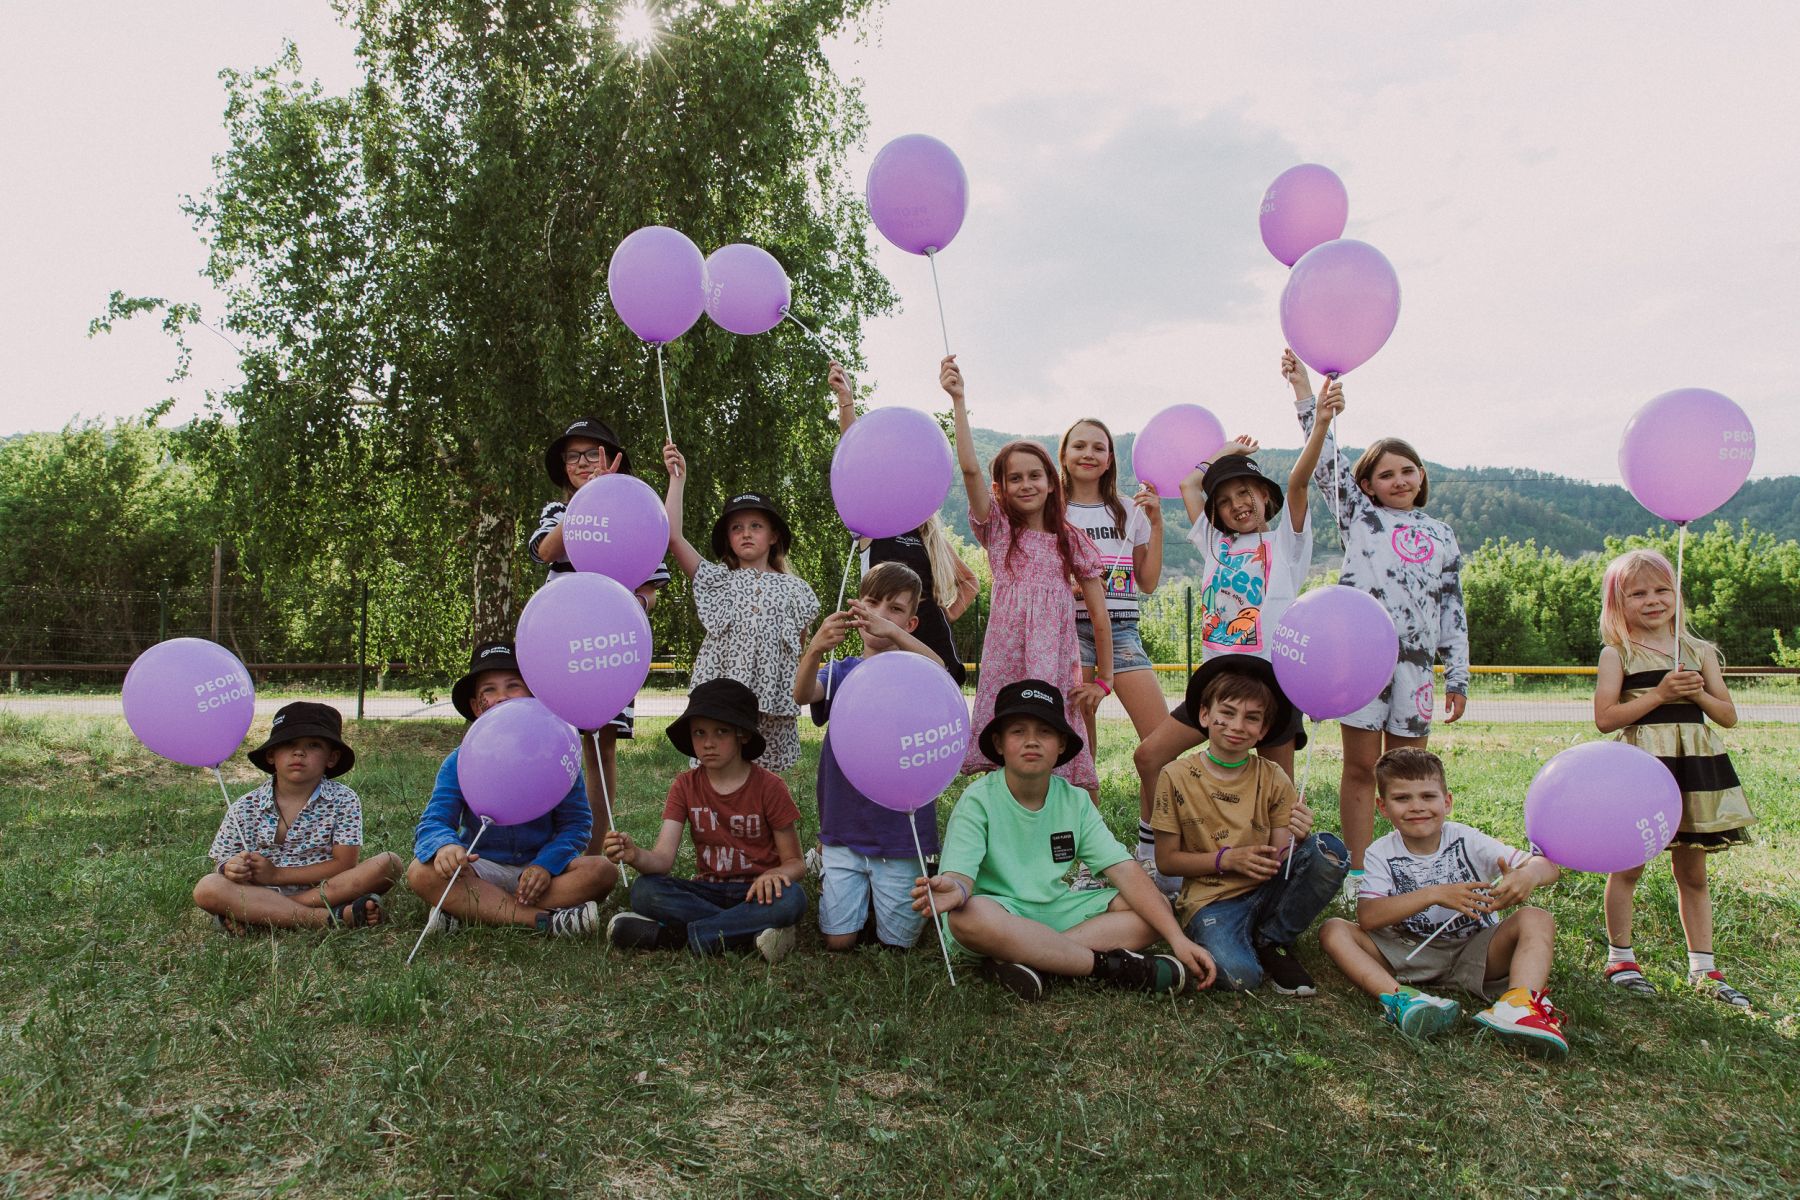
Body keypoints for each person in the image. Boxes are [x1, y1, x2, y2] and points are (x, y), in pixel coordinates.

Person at [1129, 378, 1329, 893]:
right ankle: (1154, 852)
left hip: (1273, 683)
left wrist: (1322, 421)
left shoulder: (1286, 544)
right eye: (1228, 499)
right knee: (1148, 755)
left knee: (1276, 793)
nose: (1238, 503)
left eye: (1247, 492)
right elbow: (1193, 488)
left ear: (1265, 498)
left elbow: (1301, 482)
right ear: (1216, 514)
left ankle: (1270, 884)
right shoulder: (1214, 544)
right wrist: (1223, 455)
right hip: (1218, 684)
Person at [911, 679, 1217, 1001]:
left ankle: (1032, 959)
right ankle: (1110, 967)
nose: (1032, 742)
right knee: (966, 917)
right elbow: (959, 879)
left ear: (1060, 744)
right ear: (999, 744)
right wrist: (956, 889)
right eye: (1018, 732)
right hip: (1000, 913)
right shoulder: (978, 800)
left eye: (1044, 732)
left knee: (1152, 913)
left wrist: (1176, 938)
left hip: (1056, 910)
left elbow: (1125, 870)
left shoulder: (1076, 801)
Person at [1289, 349, 1468, 879]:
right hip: (1360, 662)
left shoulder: (1441, 534)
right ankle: (1361, 871)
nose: (1399, 480)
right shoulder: (1359, 517)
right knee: (1363, 767)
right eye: (1385, 474)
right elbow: (1324, 462)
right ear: (1367, 485)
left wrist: (1456, 672)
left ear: (1421, 476)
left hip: (1416, 666)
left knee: (1408, 772)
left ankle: (1408, 869)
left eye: (1407, 471)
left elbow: (1452, 607)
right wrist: (1306, 397)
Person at [1318, 749, 1567, 1057]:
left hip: (1473, 952)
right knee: (1334, 930)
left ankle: (1518, 1006)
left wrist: (1528, 876)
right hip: (1405, 952)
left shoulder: (1467, 840)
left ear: (1447, 801)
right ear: (1383, 807)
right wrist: (1435, 893)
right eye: (1402, 798)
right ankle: (1402, 1000)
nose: (1417, 807)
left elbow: (1547, 865)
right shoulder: (1381, 852)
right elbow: (1368, 917)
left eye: (1427, 796)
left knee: (1536, 917)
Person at [1594, 548, 1756, 1007]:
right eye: (1638, 593)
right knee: (1628, 864)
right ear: (1618, 604)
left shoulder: (1699, 652)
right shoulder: (1617, 654)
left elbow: (1727, 716)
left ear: (1677, 594)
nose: (1652, 600)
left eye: (1662, 589)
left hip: (1693, 769)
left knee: (1693, 870)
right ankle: (1620, 959)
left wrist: (1699, 693)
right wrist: (1660, 693)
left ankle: (1704, 968)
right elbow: (1606, 718)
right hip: (1644, 769)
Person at [943, 356, 1108, 802]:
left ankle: (1079, 843)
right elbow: (971, 470)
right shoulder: (999, 531)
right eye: (1014, 478)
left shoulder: (1069, 540)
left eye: (1035, 475)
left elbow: (1098, 613)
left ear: (1053, 483)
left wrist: (1103, 679)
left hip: (1053, 660)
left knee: (1062, 746)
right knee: (1008, 739)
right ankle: (1002, 825)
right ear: (1001, 489)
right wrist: (959, 400)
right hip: (1006, 658)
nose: (1026, 484)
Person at [1152, 658, 1347, 995]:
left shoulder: (1272, 777)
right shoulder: (1175, 776)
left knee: (1330, 852)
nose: (1237, 725)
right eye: (1226, 713)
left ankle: (1272, 939)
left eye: (1252, 718)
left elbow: (1279, 859)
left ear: (1264, 729)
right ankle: (1247, 941)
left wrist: (1297, 839)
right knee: (1240, 976)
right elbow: (1167, 861)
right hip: (1211, 901)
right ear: (1204, 715)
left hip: (1265, 890)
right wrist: (1225, 860)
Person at [405, 642, 618, 937]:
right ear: (477, 707)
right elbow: (435, 820)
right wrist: (445, 845)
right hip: (481, 870)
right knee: (420, 873)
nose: (502, 697)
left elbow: (577, 824)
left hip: (542, 873)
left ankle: (470, 912)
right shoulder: (460, 760)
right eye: (489, 690)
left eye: (513, 686)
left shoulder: (557, 754)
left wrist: (546, 865)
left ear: (533, 695)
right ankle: (543, 921)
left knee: (602, 871)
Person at [528, 416, 670, 848]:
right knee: (553, 742)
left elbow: (652, 583)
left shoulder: (634, 513)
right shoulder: (558, 511)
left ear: (613, 460)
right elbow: (546, 551)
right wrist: (588, 502)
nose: (583, 462)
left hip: (610, 647)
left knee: (600, 745)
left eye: (594, 454)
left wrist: (633, 606)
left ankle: (594, 848)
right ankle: (549, 841)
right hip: (556, 642)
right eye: (574, 456)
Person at [794, 561, 943, 951]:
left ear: (910, 624)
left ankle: (891, 895)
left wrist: (891, 634)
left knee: (899, 945)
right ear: (857, 609)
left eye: (895, 609)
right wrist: (814, 651)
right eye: (873, 603)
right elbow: (801, 694)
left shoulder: (915, 671)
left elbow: (940, 668)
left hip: (900, 836)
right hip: (845, 830)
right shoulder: (843, 671)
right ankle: (857, 893)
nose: (880, 615)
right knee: (837, 941)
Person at [603, 679, 808, 962]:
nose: (708, 743)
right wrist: (634, 854)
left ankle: (676, 937)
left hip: (756, 892)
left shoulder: (770, 787)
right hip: (705, 891)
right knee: (645, 891)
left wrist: (775, 874)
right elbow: (662, 860)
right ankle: (746, 932)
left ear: (742, 735)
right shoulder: (684, 786)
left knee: (793, 899)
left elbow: (796, 862)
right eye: (699, 733)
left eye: (720, 732)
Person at [662, 441, 820, 774]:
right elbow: (673, 536)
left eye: (755, 526)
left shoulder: (799, 590)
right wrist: (678, 480)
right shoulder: (717, 579)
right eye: (737, 527)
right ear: (728, 538)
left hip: (772, 708)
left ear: (774, 535)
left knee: (766, 787)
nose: (745, 533)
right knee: (715, 780)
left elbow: (801, 648)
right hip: (722, 703)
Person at [830, 362, 980, 686]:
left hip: (932, 642)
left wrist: (944, 615)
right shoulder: (871, 525)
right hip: (886, 638)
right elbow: (854, 466)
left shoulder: (930, 535)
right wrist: (846, 403)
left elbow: (970, 583)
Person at [194, 701, 401, 933]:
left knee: (390, 863)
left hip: (323, 889)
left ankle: (261, 917)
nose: (299, 752)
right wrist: (230, 868)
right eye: (289, 744)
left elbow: (345, 864)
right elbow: (222, 861)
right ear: (272, 755)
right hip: (258, 891)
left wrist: (277, 874)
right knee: (207, 887)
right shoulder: (245, 806)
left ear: (331, 758)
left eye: (313, 745)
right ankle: (331, 918)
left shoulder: (344, 799)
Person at [1057, 417, 1165, 753]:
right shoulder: (1051, 510)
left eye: (1098, 447)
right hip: (1070, 630)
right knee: (1081, 750)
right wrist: (1072, 586)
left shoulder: (1129, 510)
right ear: (1063, 455)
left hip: (1122, 632)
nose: (1088, 454)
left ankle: (1155, 809)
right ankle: (1089, 805)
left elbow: (1147, 582)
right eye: (1079, 445)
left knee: (1161, 741)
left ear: (1109, 460)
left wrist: (1157, 523)